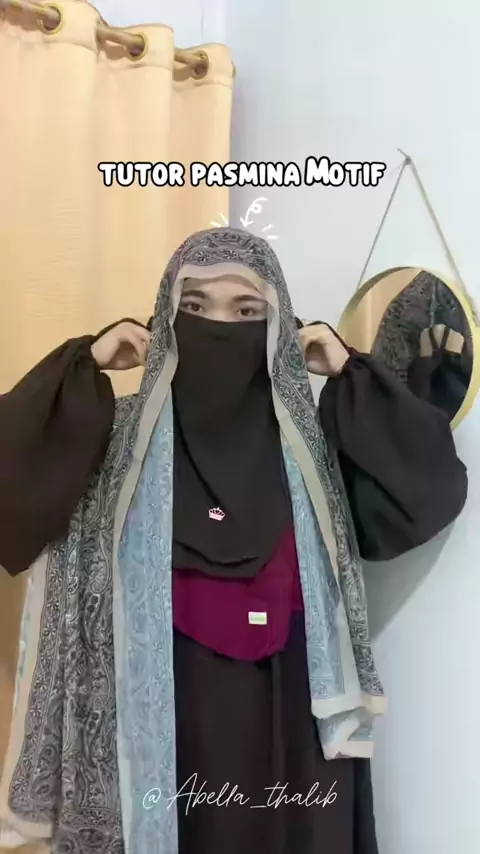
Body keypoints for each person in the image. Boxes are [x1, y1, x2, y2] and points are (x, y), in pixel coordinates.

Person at [0, 227, 467, 854]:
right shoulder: (116, 444)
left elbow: (429, 489)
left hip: (296, 741)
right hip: (158, 732)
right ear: (164, 318)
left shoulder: (310, 447)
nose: (220, 328)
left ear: (279, 326)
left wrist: (350, 370)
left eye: (248, 312)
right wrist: (82, 363)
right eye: (194, 307)